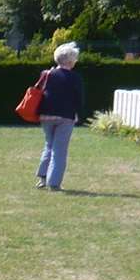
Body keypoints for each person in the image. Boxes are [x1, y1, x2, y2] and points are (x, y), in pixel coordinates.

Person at [35, 42, 85, 191]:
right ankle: (54, 182)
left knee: (49, 145)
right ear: (70, 61)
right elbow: (79, 99)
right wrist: (77, 113)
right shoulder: (75, 77)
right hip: (65, 116)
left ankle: (42, 178)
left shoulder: (48, 74)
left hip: (46, 115)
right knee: (60, 150)